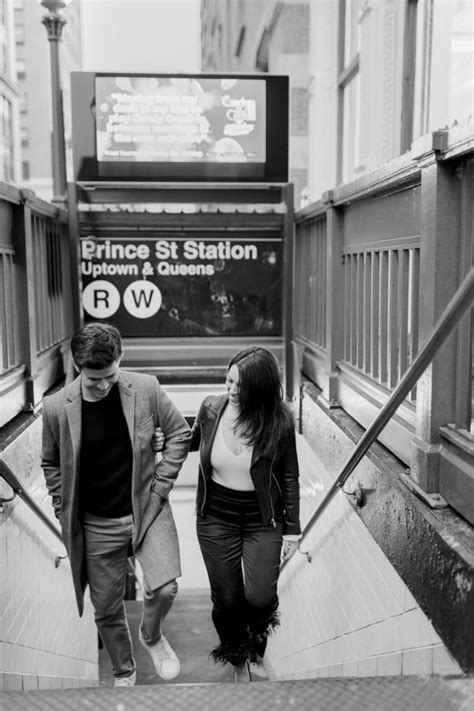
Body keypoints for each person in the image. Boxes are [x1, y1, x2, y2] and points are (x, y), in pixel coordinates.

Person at [41, 322, 191, 687]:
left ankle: (152, 637)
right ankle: (124, 672)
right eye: (94, 380)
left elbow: (179, 433)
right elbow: (50, 461)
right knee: (106, 609)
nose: (104, 385)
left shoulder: (145, 388)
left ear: (120, 359)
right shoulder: (57, 408)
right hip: (94, 523)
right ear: (78, 367)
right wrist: (63, 505)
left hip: (146, 510)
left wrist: (160, 487)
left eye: (110, 375)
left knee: (166, 586)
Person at [189, 346, 301, 682]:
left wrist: (292, 530)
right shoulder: (211, 408)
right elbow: (192, 441)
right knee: (226, 597)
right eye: (229, 381)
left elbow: (289, 476)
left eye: (240, 386)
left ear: (260, 389)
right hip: (215, 515)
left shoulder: (279, 421)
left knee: (261, 597)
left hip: (261, 518)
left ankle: (256, 646)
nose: (232, 390)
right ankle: (238, 654)